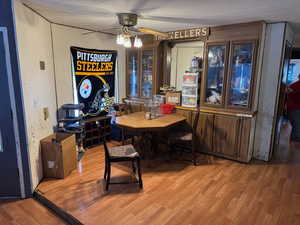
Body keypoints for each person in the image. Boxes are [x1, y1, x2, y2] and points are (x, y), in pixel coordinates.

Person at [287, 74, 300, 144]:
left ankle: (293, 144)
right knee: (297, 127)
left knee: (296, 126)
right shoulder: (294, 86)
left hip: (293, 109)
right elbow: (288, 97)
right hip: (294, 109)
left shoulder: (293, 85)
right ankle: (295, 144)